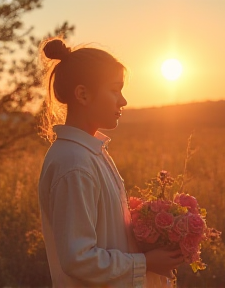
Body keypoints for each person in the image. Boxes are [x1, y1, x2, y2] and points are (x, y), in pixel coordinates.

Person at [38, 37, 183, 288]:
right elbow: (78, 259)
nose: (123, 101)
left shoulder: (90, 152)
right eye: (115, 90)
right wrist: (145, 263)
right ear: (83, 94)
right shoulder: (74, 164)